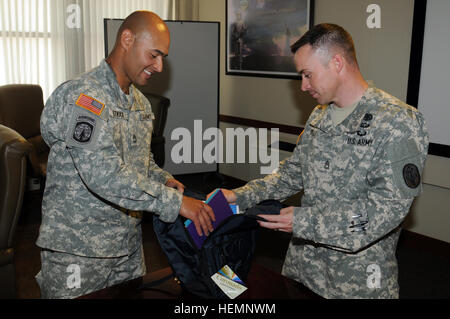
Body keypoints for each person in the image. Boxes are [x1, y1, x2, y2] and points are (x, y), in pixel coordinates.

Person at [211, 23, 429, 298]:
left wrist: (304, 222)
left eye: (307, 75)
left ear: (336, 63)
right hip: (302, 270)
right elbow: (292, 174)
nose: (303, 86)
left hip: (356, 284)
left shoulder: (397, 121)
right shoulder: (319, 115)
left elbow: (385, 212)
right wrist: (240, 196)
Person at [36, 11, 215, 299]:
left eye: (163, 58)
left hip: (127, 246)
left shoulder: (141, 104)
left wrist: (163, 179)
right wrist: (176, 202)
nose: (159, 66)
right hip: (79, 250)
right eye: (154, 55)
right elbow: (103, 174)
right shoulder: (84, 98)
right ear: (127, 39)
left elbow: (139, 162)